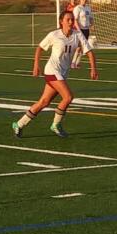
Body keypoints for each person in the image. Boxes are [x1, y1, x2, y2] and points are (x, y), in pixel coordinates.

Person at [12, 10, 98, 139]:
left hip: (62, 73)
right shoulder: (54, 35)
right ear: (61, 21)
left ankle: (19, 124)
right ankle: (56, 125)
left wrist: (93, 69)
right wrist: (36, 66)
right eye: (68, 19)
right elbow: (39, 48)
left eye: (72, 19)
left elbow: (89, 52)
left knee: (43, 102)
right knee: (68, 97)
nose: (71, 22)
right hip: (52, 71)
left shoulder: (77, 35)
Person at [71, 0, 93, 69]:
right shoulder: (78, 8)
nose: (85, 0)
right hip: (80, 30)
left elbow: (91, 18)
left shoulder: (88, 8)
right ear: (80, 0)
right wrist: (78, 29)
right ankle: (73, 62)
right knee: (79, 47)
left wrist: (92, 25)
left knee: (83, 47)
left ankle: (77, 63)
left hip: (86, 29)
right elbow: (75, 20)